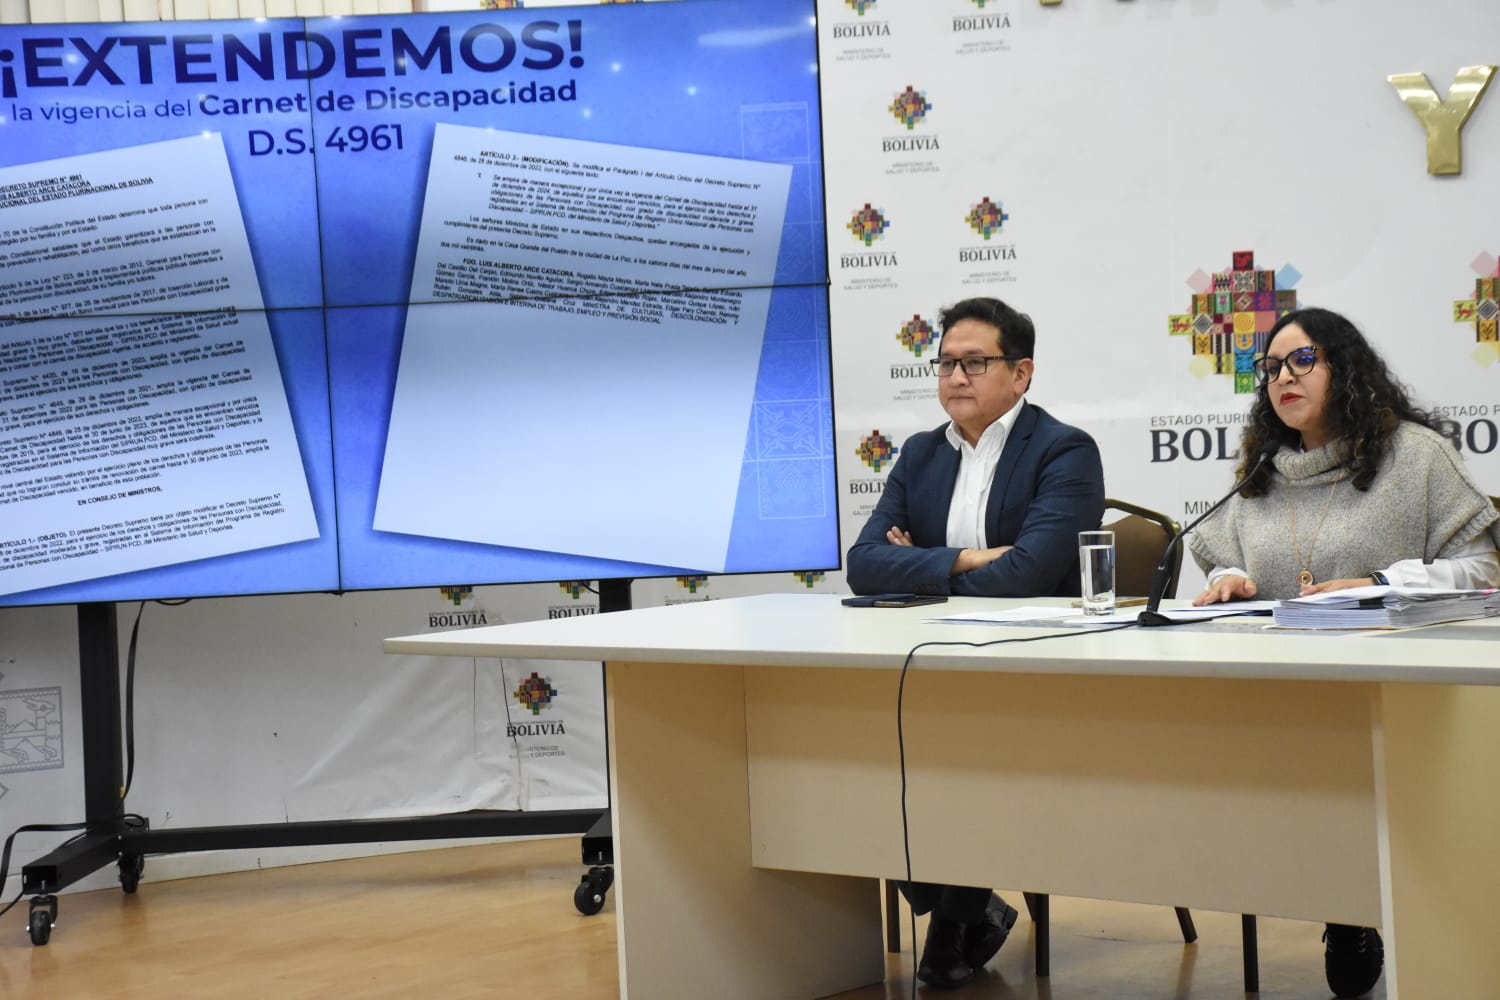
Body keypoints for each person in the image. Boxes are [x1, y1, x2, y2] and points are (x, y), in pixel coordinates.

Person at [1190, 306, 1500, 998]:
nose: (1283, 377)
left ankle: (1355, 909)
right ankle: (1334, 894)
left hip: (1395, 693)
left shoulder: (1417, 456)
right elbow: (1222, 553)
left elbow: (1484, 570)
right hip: (1279, 691)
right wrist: (1229, 578)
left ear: (1346, 368)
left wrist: (1384, 582)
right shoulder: (1262, 469)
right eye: (1271, 366)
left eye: (1303, 360)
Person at [847, 296, 1106, 989]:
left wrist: (922, 564)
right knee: (866, 740)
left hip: (1032, 668)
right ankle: (967, 905)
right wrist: (968, 559)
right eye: (946, 364)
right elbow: (864, 564)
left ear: (1020, 374)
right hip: (930, 661)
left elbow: (1029, 575)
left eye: (975, 363)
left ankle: (960, 913)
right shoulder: (921, 452)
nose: (956, 377)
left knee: (959, 744)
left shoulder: (1064, 450)